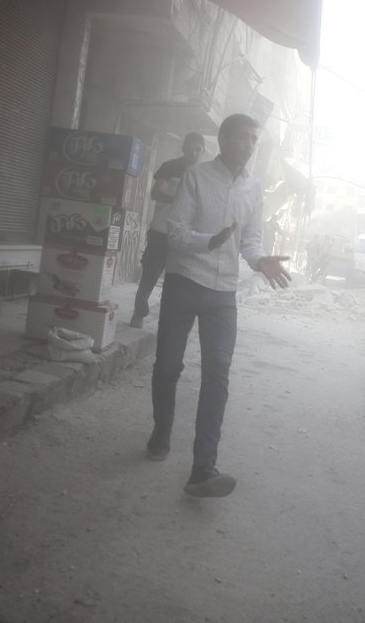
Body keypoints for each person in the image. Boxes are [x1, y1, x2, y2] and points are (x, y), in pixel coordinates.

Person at [146, 113, 291, 498]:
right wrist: (209, 242)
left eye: (253, 139)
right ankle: (162, 430)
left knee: (218, 375)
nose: (249, 145)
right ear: (224, 139)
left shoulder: (254, 189)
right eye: (242, 137)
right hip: (183, 281)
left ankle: (202, 469)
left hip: (223, 293)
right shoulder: (196, 176)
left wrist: (261, 261)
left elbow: (251, 241)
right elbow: (175, 231)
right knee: (167, 366)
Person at [130, 132, 206, 328]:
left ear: (204, 152)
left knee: (178, 281)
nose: (194, 153)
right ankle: (138, 312)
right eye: (190, 148)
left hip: (186, 235)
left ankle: (170, 320)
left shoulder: (205, 175)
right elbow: (156, 192)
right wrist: (181, 202)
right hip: (161, 231)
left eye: (198, 149)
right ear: (183, 148)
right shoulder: (170, 166)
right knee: (150, 274)